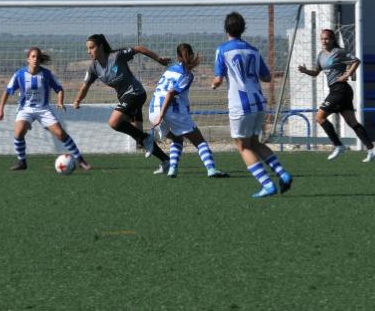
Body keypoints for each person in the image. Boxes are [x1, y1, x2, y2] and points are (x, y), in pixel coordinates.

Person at [212, 12, 292, 198]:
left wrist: (214, 84)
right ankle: (283, 174)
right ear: (243, 29)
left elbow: (218, 79)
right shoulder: (253, 51)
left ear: (226, 29)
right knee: (255, 142)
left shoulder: (223, 50)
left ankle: (267, 185)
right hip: (258, 103)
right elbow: (267, 76)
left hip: (241, 105)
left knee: (243, 146)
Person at [73, 34, 171, 171]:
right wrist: (77, 100)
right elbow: (85, 86)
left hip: (135, 93)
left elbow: (140, 49)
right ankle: (166, 160)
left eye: (91, 48)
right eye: (87, 49)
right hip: (125, 98)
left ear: (100, 47)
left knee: (114, 123)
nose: (88, 51)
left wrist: (159, 59)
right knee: (139, 136)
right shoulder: (94, 68)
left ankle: (148, 138)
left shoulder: (117, 56)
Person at [0, 47, 91, 171]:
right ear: (28, 59)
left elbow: (59, 89)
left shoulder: (46, 74)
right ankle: (22, 162)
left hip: (43, 109)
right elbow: (7, 91)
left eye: (37, 57)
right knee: (18, 132)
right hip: (25, 109)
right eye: (33, 57)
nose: (35, 59)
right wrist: (1, 109)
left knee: (61, 134)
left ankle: (80, 160)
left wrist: (60, 102)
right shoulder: (19, 74)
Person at [298, 29, 375, 163]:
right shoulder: (320, 55)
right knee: (352, 122)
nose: (324, 41)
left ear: (333, 39)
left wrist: (347, 74)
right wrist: (305, 71)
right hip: (338, 91)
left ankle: (338, 145)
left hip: (340, 90)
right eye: (322, 39)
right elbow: (316, 73)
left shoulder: (339, 52)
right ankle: (371, 149)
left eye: (327, 39)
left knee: (319, 117)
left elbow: (356, 61)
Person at [149, 43, 229, 178]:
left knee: (177, 139)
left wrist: (160, 115)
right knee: (199, 141)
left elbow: (171, 93)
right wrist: (162, 114)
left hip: (152, 110)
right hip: (169, 110)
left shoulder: (170, 69)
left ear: (177, 57)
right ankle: (211, 169)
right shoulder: (187, 75)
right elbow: (170, 93)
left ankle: (172, 169)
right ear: (191, 55)